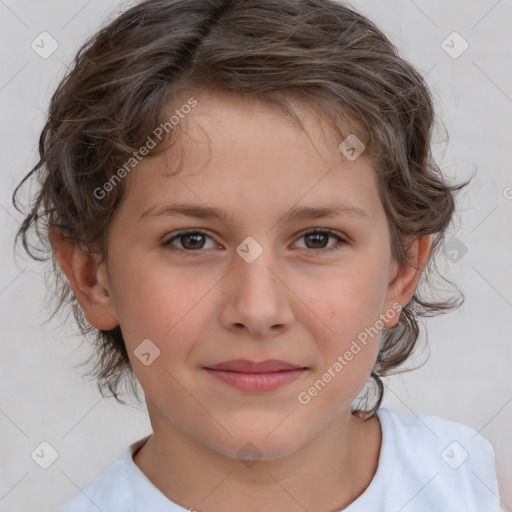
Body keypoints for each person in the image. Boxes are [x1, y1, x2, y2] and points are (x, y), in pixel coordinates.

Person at [12, 0, 501, 510]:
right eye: (192, 240)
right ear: (94, 276)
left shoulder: (484, 486)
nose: (258, 310)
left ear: (401, 272)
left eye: (318, 239)